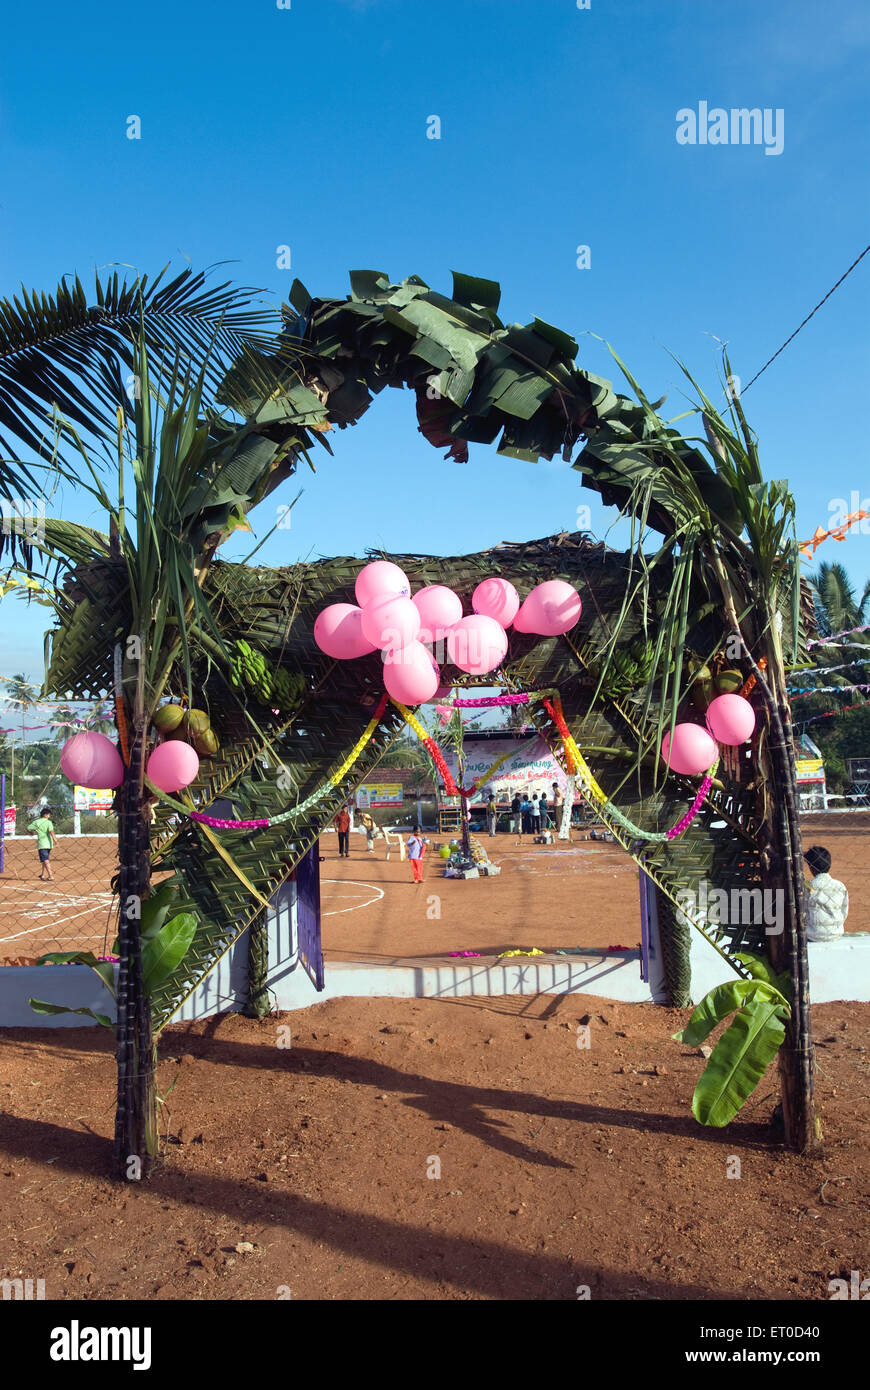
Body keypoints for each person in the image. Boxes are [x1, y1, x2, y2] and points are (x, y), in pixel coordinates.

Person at [804, 845, 849, 941]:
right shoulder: (840, 886)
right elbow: (844, 912)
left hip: (812, 935)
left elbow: (803, 912)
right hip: (836, 934)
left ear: (812, 868)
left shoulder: (808, 888)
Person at [30, 805, 56, 881]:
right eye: (48, 814)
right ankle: (43, 874)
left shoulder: (36, 822)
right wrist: (55, 840)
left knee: (45, 860)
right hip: (49, 843)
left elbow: (29, 827)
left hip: (42, 844)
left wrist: (31, 832)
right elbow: (51, 831)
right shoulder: (49, 822)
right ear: (45, 815)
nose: (49, 816)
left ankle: (51, 876)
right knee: (45, 859)